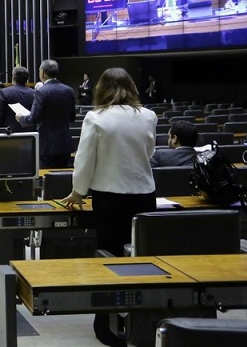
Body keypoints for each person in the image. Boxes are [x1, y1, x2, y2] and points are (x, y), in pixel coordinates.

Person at [61, 67, 157, 347]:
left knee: (109, 259)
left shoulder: (96, 117)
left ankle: (106, 323)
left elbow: (84, 159)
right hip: (144, 195)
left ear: (101, 88)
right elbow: (149, 152)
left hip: (110, 197)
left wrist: (78, 192)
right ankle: (137, 321)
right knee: (140, 258)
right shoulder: (148, 115)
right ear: (132, 87)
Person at [16, 59, 76, 169]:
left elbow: (34, 119)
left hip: (47, 146)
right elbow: (72, 118)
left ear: (43, 73)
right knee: (63, 176)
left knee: (46, 177)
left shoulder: (41, 92)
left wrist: (21, 118)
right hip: (64, 144)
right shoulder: (69, 90)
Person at [0, 66, 35, 133]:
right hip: (31, 133)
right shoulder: (34, 93)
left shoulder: (4, 92)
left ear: (13, 77)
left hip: (10, 133)